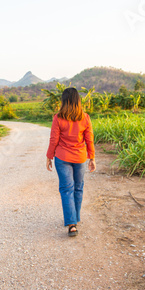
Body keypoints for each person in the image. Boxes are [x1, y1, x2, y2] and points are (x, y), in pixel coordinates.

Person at [46, 88, 96, 237]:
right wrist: (92, 157)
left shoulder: (58, 118)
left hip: (62, 158)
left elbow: (54, 139)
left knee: (67, 189)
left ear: (64, 101)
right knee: (78, 188)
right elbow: (89, 139)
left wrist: (49, 156)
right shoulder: (85, 117)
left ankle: (72, 223)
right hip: (80, 157)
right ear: (78, 101)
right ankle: (74, 219)